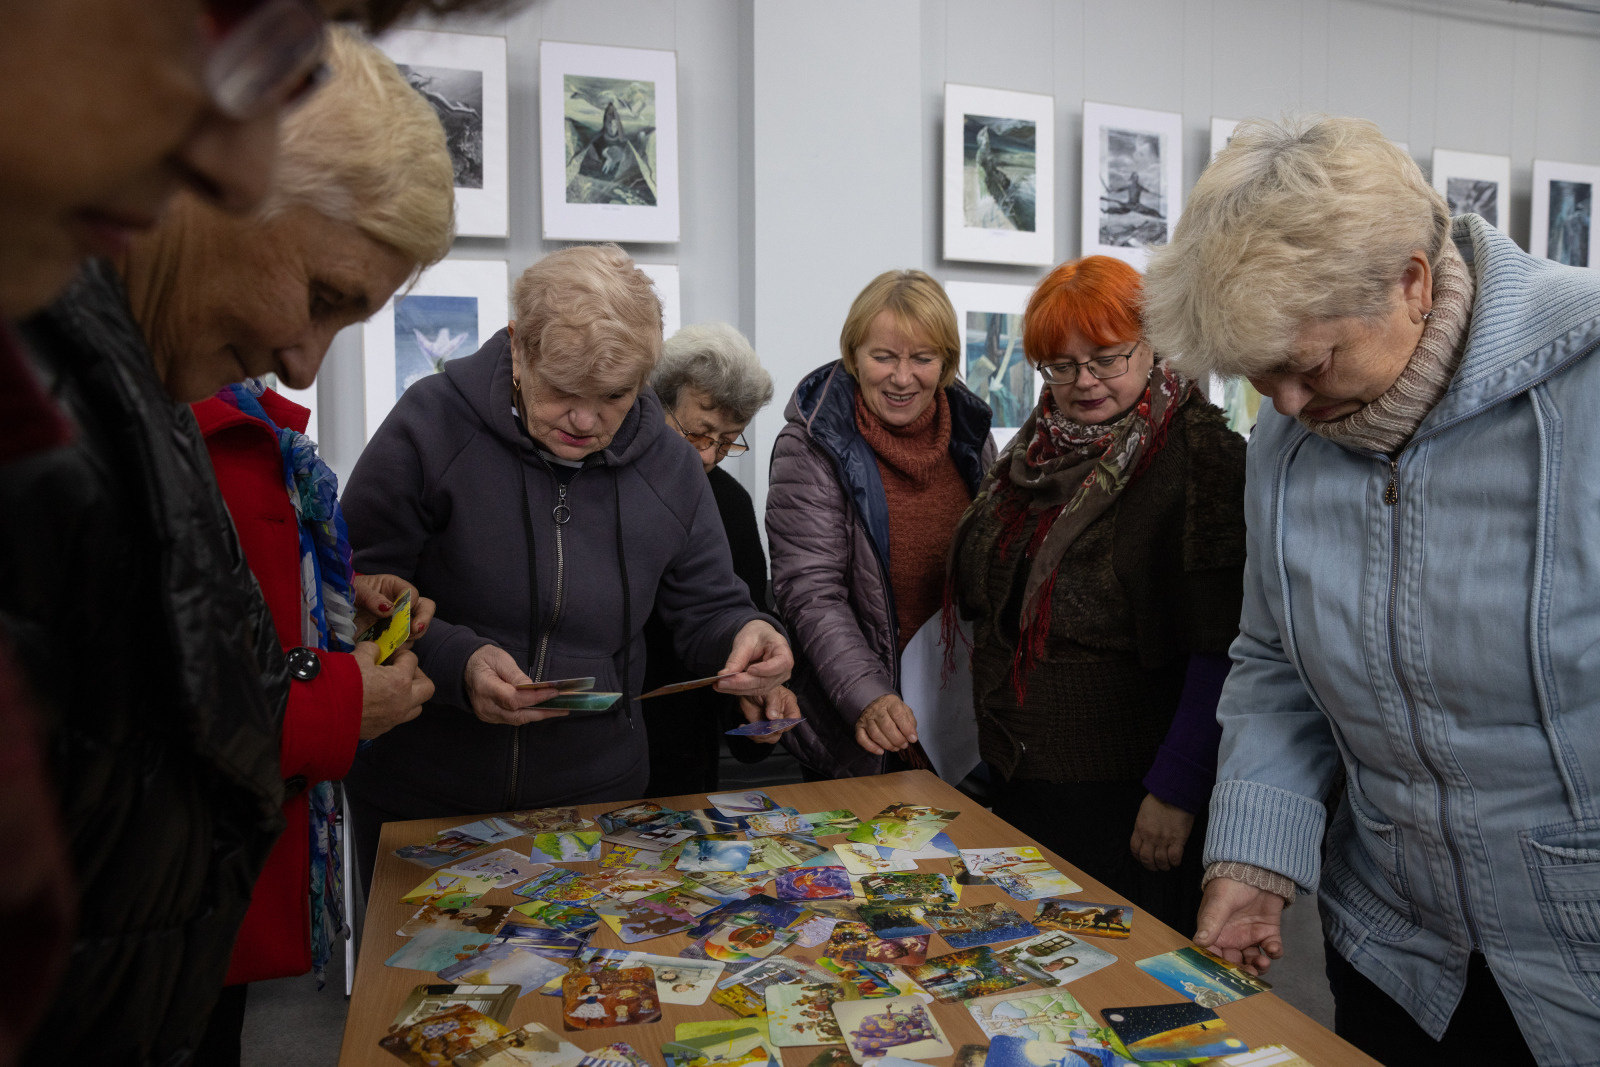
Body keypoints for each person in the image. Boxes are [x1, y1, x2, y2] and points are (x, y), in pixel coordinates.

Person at [1142, 115, 1600, 1063]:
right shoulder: (1290, 433)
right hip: (1399, 949)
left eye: (1308, 366)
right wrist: (1253, 858)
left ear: (1413, 285)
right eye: (1258, 379)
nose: (1289, 409)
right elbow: (1273, 661)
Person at [145, 28, 447, 1060]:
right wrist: (342, 697)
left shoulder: (197, 406)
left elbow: (202, 624)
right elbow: (155, 703)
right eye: (321, 296)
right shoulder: (116, 415)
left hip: (190, 912)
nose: (304, 365)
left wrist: (334, 593)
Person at [341, 244, 796, 889]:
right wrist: (458, 664)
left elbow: (709, 606)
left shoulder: (670, 465)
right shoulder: (429, 425)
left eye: (613, 395)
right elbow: (351, 597)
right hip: (425, 795)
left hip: (598, 800)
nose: (585, 421)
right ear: (518, 346)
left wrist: (748, 634)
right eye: (561, 392)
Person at [946, 255, 1246, 935]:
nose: (1083, 383)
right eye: (1059, 364)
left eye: (1107, 358)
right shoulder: (1035, 450)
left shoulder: (1200, 456)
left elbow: (1224, 649)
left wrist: (1176, 787)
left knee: (1131, 999)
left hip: (1131, 800)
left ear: (1153, 346)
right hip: (1023, 786)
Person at [767, 269, 995, 780]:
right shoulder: (811, 444)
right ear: (853, 356)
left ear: (948, 363)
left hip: (959, 719)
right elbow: (809, 591)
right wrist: (869, 696)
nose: (901, 376)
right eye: (883, 356)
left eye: (922, 358)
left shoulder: (972, 434)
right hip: (863, 722)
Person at [643, 321, 778, 796]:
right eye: (699, 433)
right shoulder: (606, 485)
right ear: (655, 405)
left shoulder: (730, 504)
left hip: (685, 758)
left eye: (727, 441)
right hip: (591, 750)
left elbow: (738, 624)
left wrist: (757, 698)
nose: (708, 456)